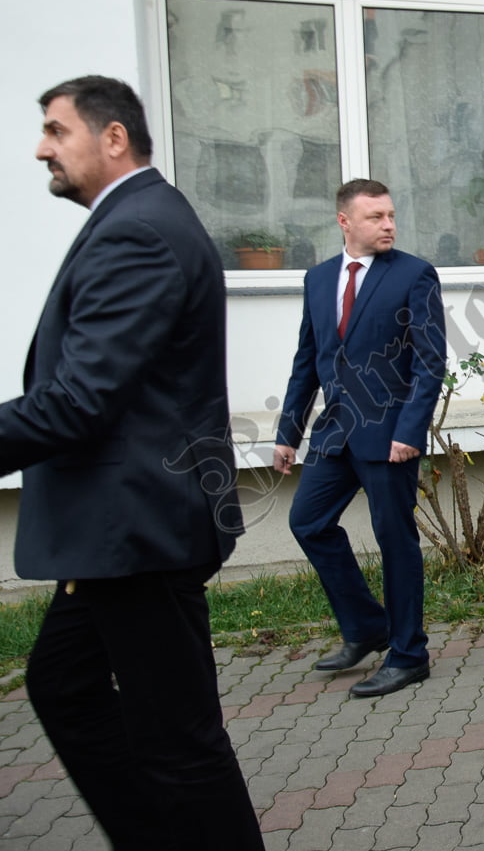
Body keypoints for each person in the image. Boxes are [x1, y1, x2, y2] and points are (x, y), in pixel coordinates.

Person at [0, 76, 261, 847]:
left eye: (56, 130)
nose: (41, 148)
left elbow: (82, 400)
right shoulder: (135, 219)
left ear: (113, 137)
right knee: (65, 686)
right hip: (123, 529)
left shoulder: (138, 230)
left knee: (182, 744)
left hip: (139, 529)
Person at [274, 178, 446, 698]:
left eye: (391, 215)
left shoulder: (414, 274)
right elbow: (308, 360)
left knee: (395, 542)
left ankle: (409, 654)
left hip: (390, 437)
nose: (389, 224)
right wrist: (288, 432)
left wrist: (410, 430)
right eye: (376, 217)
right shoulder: (318, 278)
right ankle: (367, 626)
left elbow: (430, 362)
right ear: (344, 221)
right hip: (335, 434)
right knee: (308, 522)